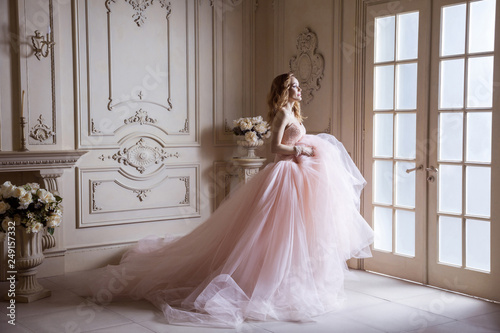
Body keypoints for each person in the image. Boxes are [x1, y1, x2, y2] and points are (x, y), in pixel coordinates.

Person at [89, 72, 374, 328]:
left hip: (297, 174)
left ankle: (293, 280)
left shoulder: (294, 113)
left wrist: (306, 151)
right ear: (284, 90)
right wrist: (302, 150)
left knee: (297, 232)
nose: (300, 90)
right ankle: (264, 283)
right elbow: (274, 147)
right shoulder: (282, 114)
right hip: (284, 175)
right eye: (294, 86)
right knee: (272, 233)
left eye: (299, 86)